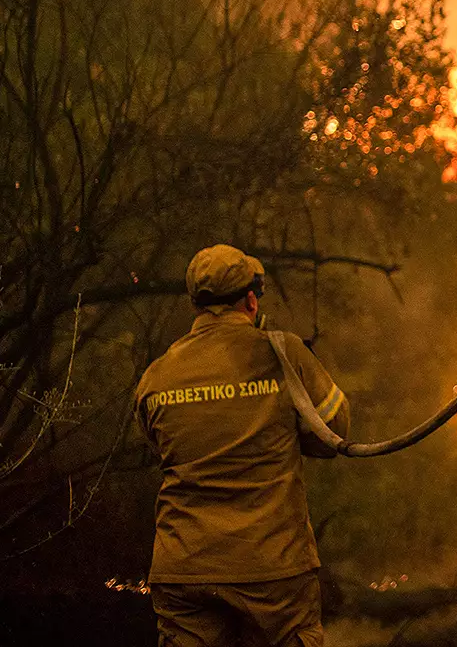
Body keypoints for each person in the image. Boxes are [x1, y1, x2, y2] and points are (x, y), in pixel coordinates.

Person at [134, 244, 350, 647]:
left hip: (185, 570)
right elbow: (334, 432)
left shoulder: (157, 375)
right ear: (251, 299)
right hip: (273, 570)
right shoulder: (283, 353)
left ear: (196, 304)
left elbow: (160, 449)